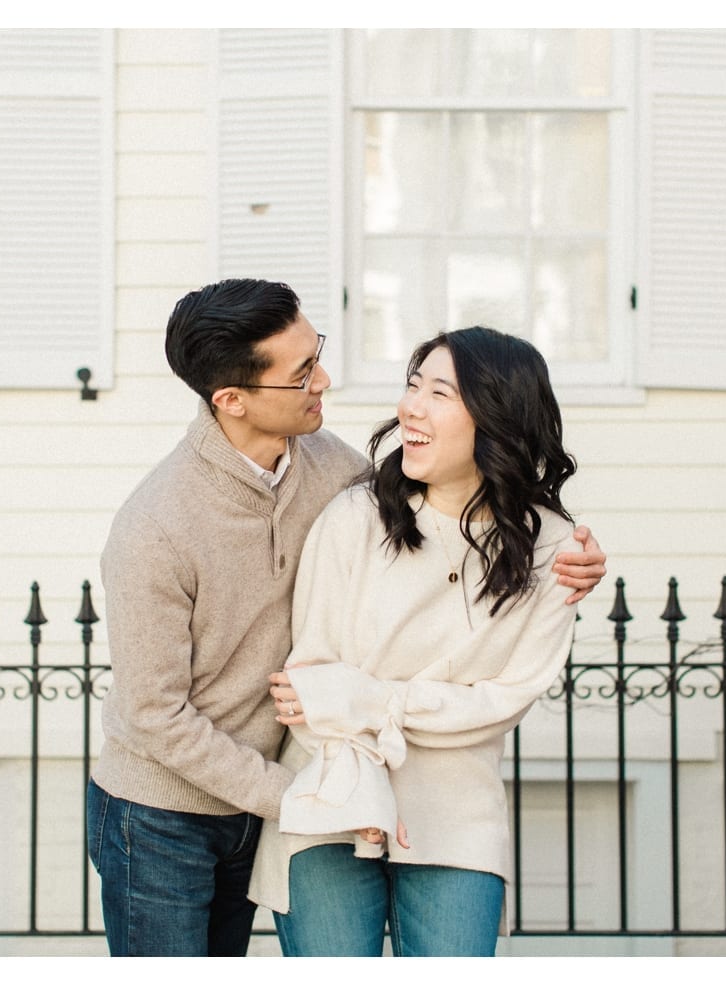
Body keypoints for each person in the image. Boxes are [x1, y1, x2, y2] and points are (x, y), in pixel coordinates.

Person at [87, 280, 607, 956]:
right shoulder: (155, 527)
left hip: (272, 791)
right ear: (233, 399)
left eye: (317, 354)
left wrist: (576, 560)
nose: (324, 379)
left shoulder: (332, 470)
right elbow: (157, 714)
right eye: (302, 371)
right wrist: (299, 795)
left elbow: (450, 507)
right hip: (166, 811)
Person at [249, 326, 582, 957]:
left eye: (440, 393)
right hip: (331, 798)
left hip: (458, 816)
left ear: (498, 417)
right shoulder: (354, 518)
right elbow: (310, 691)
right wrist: (370, 742)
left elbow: (505, 699)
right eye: (411, 385)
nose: (410, 407)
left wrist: (369, 701)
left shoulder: (554, 550)